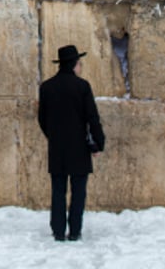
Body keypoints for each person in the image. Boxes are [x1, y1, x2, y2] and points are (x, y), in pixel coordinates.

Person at [37, 44, 105, 242]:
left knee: (58, 191)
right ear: (74, 64)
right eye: (79, 63)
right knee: (78, 192)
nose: (80, 67)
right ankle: (75, 230)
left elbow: (42, 119)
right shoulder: (82, 87)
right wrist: (97, 144)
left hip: (57, 148)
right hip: (79, 147)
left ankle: (58, 230)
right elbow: (92, 117)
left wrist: (54, 136)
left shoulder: (47, 87)